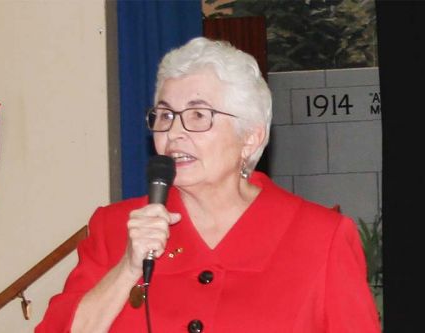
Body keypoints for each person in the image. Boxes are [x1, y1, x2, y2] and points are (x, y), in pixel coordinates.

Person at [36, 37, 381, 333]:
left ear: (250, 136)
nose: (174, 132)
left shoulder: (320, 237)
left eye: (198, 115)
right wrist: (126, 268)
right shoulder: (114, 229)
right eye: (165, 115)